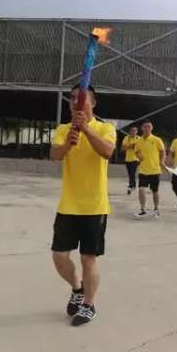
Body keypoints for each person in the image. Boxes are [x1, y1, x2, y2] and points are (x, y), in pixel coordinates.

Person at [49, 84, 116, 326]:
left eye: (82, 98)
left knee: (88, 259)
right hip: (68, 204)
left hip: (95, 206)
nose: (76, 102)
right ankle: (77, 289)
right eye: (73, 98)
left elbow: (107, 152)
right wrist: (68, 143)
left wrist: (86, 129)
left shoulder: (106, 128)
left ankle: (89, 304)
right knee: (59, 256)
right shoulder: (63, 129)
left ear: (93, 103)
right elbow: (55, 155)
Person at [134, 120, 166, 218]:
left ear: (151, 128)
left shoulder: (157, 140)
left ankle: (156, 208)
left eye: (149, 126)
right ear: (142, 128)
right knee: (141, 189)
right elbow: (136, 151)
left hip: (155, 170)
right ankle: (143, 209)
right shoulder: (139, 140)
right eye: (145, 126)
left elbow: (163, 152)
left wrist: (162, 162)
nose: (147, 128)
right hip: (143, 170)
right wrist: (139, 156)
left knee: (155, 191)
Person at [121, 125, 140, 195]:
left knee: (132, 173)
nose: (133, 132)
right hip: (127, 159)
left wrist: (128, 146)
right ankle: (133, 185)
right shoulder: (126, 138)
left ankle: (130, 186)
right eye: (132, 130)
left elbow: (139, 148)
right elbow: (123, 148)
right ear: (129, 131)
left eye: (135, 130)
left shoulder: (139, 138)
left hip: (135, 159)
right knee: (130, 174)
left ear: (137, 131)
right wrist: (132, 145)